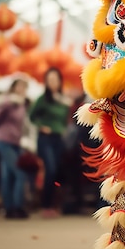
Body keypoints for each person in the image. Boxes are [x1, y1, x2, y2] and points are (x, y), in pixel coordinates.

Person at [29, 68, 72, 218]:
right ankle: (46, 205)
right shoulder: (42, 99)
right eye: (50, 79)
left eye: (55, 79)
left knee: (58, 172)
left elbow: (66, 119)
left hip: (58, 139)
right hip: (45, 139)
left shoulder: (63, 100)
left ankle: (54, 205)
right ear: (46, 82)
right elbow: (31, 116)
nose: (53, 82)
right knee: (51, 169)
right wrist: (42, 125)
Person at [0, 78, 30, 219]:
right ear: (13, 87)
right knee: (20, 172)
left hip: (16, 142)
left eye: (24, 87)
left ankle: (9, 208)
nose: (21, 90)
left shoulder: (22, 104)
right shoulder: (6, 101)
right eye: (19, 86)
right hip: (3, 140)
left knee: (8, 175)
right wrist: (7, 104)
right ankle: (17, 207)